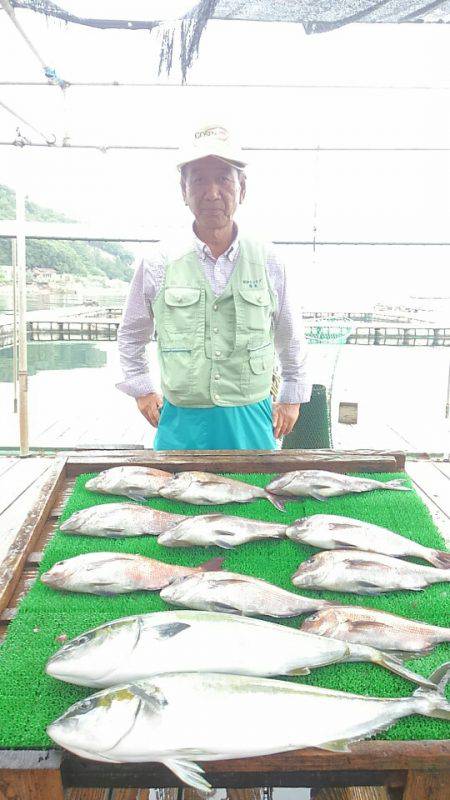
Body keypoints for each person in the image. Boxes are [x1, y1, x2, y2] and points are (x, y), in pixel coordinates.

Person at [116, 123, 311, 450]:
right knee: (173, 500)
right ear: (183, 189)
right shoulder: (158, 262)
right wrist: (143, 390)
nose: (212, 193)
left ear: (242, 188)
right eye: (199, 180)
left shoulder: (270, 261)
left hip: (251, 417)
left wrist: (292, 396)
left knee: (256, 497)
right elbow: (130, 335)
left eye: (223, 179)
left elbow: (290, 335)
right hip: (180, 421)